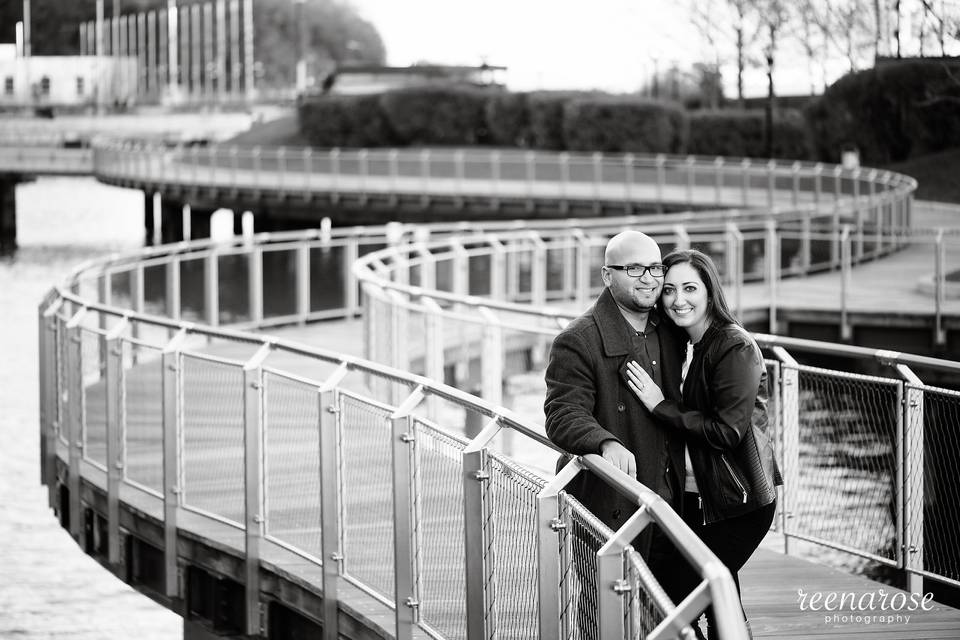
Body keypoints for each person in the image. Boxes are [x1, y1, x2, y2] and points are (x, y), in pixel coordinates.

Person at [625, 248, 782, 640]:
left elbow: (727, 431)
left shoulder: (735, 348)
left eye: (690, 288)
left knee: (683, 592)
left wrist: (660, 407)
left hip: (738, 500)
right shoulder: (682, 344)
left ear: (710, 292)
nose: (679, 300)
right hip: (695, 499)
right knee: (717, 592)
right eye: (670, 290)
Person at [544, 230, 688, 545]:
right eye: (634, 269)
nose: (649, 278)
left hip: (671, 505)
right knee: (607, 594)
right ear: (608, 276)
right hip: (609, 505)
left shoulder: (672, 329)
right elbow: (562, 412)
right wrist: (606, 443)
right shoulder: (579, 339)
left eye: (655, 268)